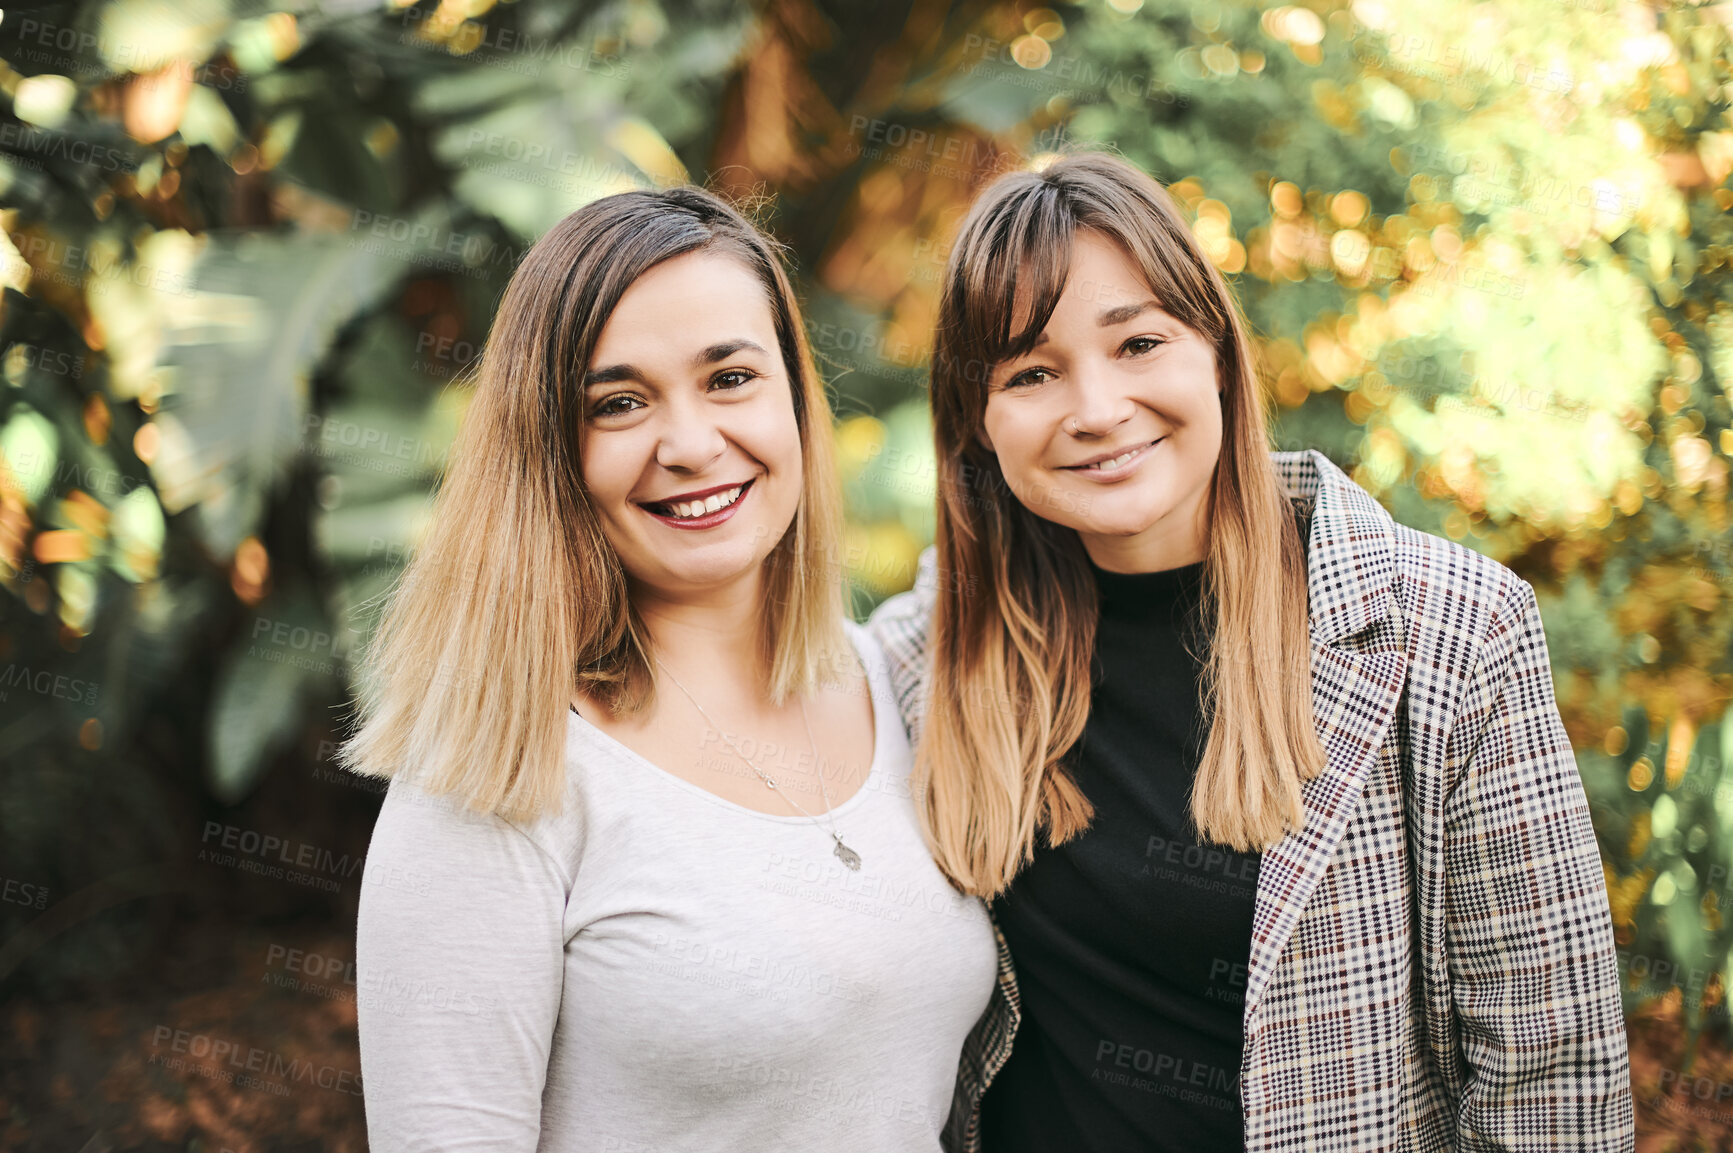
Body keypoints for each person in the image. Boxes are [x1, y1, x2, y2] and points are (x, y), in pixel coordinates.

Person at [868, 150, 1633, 1152]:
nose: (1095, 409)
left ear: (1216, 351)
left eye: (1136, 342)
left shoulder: (1447, 630)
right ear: (978, 420)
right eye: (1031, 372)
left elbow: (1552, 1073)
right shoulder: (922, 660)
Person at [342, 185, 998, 1153]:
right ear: (549, 451)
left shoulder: (893, 682)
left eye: (729, 378)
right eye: (617, 403)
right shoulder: (494, 773)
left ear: (793, 395)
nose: (690, 445)